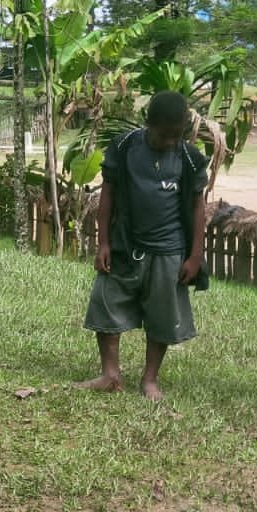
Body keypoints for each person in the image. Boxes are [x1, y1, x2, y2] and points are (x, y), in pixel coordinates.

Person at [82, 91, 209, 402]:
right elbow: (108, 196)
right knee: (106, 302)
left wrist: (195, 256)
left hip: (169, 251)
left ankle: (150, 379)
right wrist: (103, 242)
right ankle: (110, 374)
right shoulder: (124, 147)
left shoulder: (189, 158)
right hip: (125, 244)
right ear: (148, 123)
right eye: (163, 135)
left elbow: (198, 208)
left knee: (162, 315)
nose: (169, 142)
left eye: (176, 136)